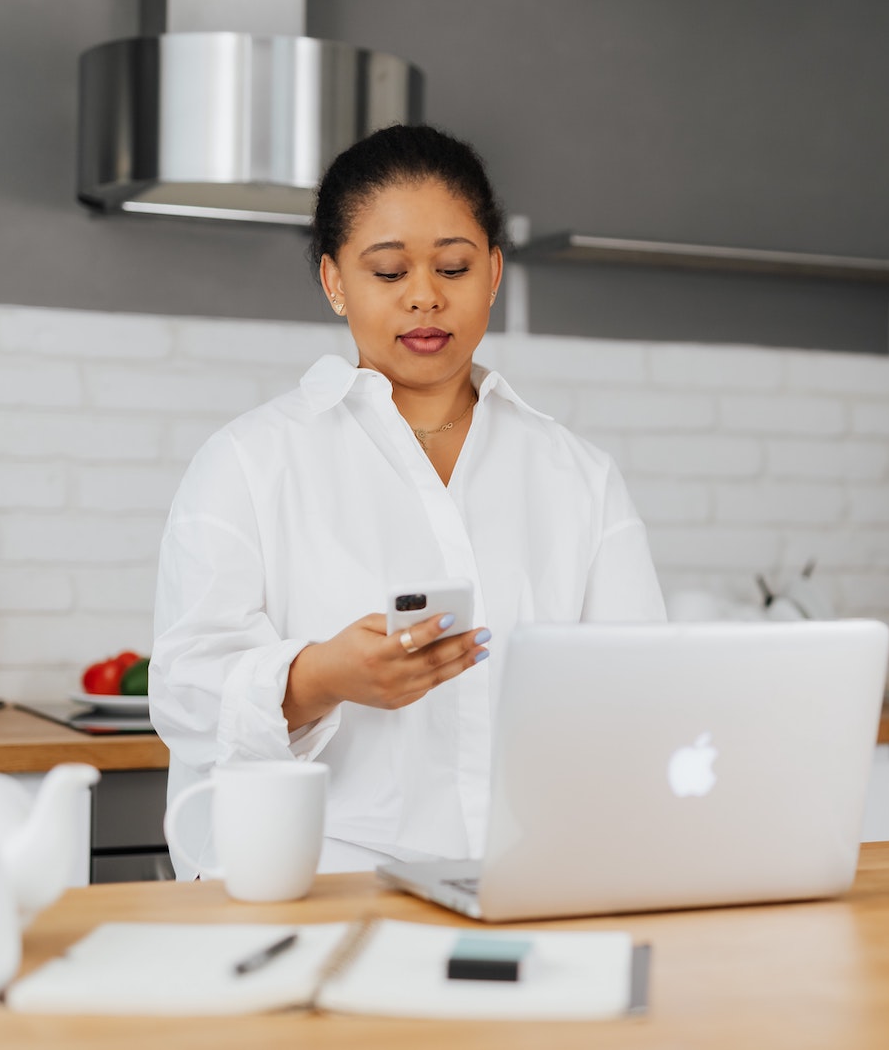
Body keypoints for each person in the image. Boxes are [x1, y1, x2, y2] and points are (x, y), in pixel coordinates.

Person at [150, 125, 666, 878]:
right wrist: (319, 677)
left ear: (492, 272)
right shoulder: (248, 462)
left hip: (525, 883)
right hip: (318, 881)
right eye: (389, 272)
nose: (425, 295)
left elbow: (641, 696)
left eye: (453, 266)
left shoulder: (578, 476)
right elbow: (185, 697)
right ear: (334, 282)